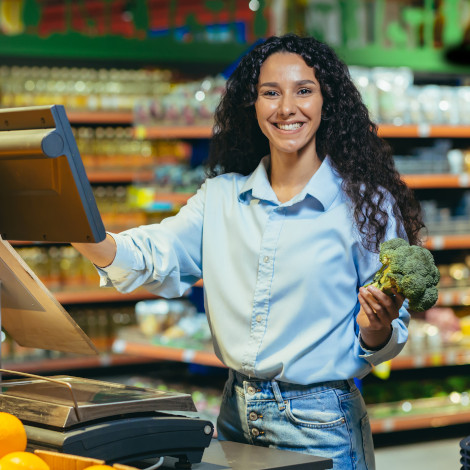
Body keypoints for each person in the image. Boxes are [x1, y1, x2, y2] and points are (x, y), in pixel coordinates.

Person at [73, 33, 424, 469]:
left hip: (321, 423)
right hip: (234, 414)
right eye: (270, 93)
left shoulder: (365, 206)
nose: (285, 108)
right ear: (252, 105)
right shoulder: (220, 198)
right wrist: (79, 229)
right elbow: (151, 256)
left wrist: (376, 328)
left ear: (326, 102)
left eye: (304, 91)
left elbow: (388, 335)